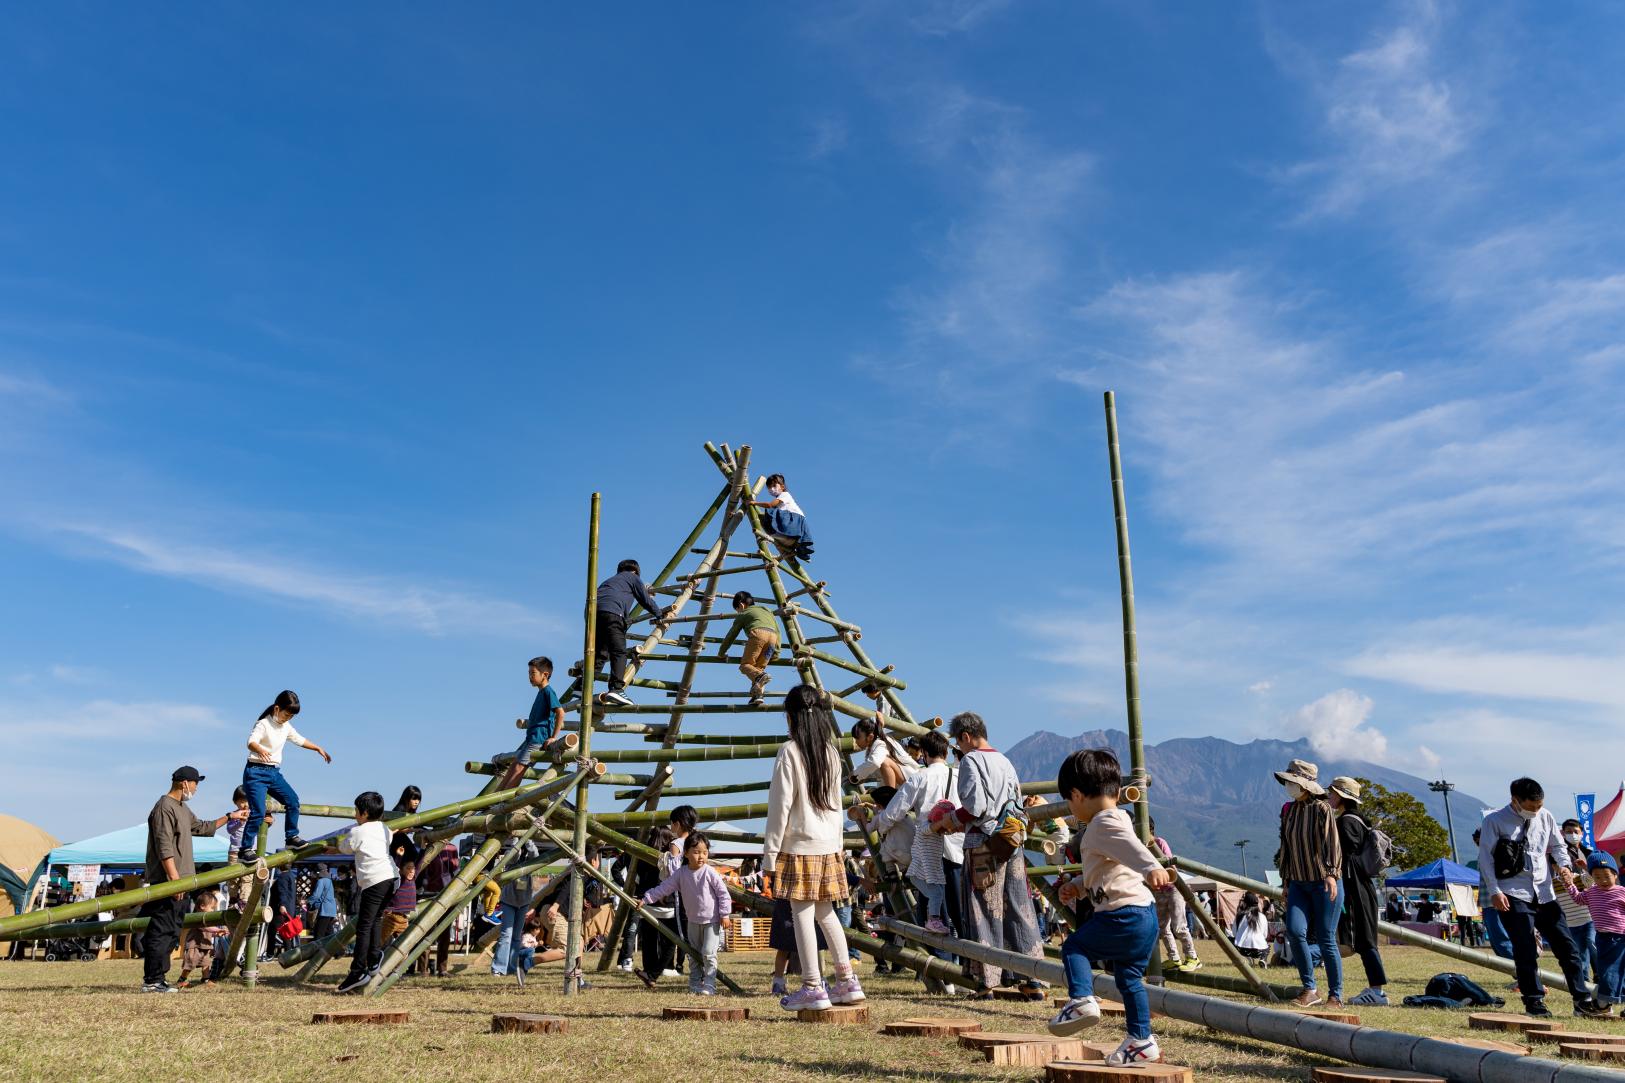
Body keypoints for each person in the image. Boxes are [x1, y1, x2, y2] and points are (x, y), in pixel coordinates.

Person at [1047, 748, 1170, 1067]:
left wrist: (1151, 866)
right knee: (1129, 979)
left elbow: (1133, 850)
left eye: (1069, 803)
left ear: (1076, 795)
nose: (1072, 809)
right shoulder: (1115, 818)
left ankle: (1081, 1001)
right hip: (1143, 917)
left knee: (1074, 947)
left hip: (1123, 915)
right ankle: (1141, 1040)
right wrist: (1078, 886)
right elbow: (1108, 868)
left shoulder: (1102, 823)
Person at [764, 684, 863, 1011]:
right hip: (828, 844)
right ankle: (847, 981)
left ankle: (812, 986)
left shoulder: (789, 751)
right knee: (826, 912)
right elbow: (836, 806)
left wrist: (770, 855)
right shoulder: (832, 753)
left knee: (802, 913)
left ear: (791, 716)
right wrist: (837, 848)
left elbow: (779, 808)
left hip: (799, 845)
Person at [934, 711, 1045, 1000]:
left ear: (966, 737)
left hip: (983, 843)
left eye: (959, 743)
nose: (959, 749)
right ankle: (1032, 978)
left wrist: (950, 821)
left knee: (982, 909)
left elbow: (975, 807)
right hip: (1011, 842)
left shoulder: (971, 760)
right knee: (1018, 906)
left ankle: (987, 981)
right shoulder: (1005, 761)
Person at [1479, 777, 1606, 1017]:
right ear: (1515, 801)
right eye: (1531, 807)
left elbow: (1557, 846)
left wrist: (1564, 865)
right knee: (1525, 948)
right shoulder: (1494, 821)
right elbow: (1486, 858)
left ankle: (1582, 999)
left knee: (1567, 946)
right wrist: (1495, 890)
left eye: (1539, 806)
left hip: (1545, 892)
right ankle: (1534, 1001)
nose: (1535, 811)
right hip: (1512, 892)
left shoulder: (1546, 816)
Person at [138, 766, 245, 993]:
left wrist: (229, 817)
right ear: (184, 783)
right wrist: (174, 879)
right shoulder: (164, 807)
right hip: (170, 881)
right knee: (161, 931)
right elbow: (163, 845)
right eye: (196, 783)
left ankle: (159, 978)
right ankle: (152, 980)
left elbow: (202, 827)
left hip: (183, 881)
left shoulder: (182, 808)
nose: (196, 788)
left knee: (173, 931)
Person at [869, 730, 960, 937]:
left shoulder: (920, 777)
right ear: (945, 753)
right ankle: (967, 962)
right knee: (960, 910)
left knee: (932, 909)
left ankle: (939, 963)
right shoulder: (959, 776)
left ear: (925, 753)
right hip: (957, 848)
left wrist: (879, 826)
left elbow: (893, 812)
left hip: (929, 849)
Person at [1274, 758, 1343, 1009]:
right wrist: (1286, 881)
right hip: (1298, 883)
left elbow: (1331, 843)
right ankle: (1310, 988)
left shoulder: (1322, 809)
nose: (1289, 785)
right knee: (1294, 930)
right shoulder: (1288, 811)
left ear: (1304, 785)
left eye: (1293, 781)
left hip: (1324, 882)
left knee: (1326, 938)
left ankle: (1336, 995)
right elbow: (1286, 848)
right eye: (1288, 781)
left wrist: (1332, 874)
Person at [238, 690, 332, 863]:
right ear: (276, 709)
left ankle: (291, 837)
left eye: (291, 717)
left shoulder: (286, 727)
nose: (287, 719)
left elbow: (299, 739)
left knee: (293, 801)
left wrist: (317, 748)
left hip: (273, 773)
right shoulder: (263, 724)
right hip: (256, 773)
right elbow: (250, 742)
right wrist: (260, 749)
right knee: (258, 812)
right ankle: (245, 850)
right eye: (286, 715)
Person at [639, 831, 732, 995]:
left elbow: (723, 894)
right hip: (693, 921)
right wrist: (646, 898)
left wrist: (725, 914)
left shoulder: (709, 872)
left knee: (709, 954)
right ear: (686, 853)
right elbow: (664, 888)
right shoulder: (681, 874)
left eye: (704, 852)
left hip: (712, 920)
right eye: (696, 852)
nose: (701, 856)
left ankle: (709, 984)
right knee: (693, 955)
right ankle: (695, 983)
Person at [1327, 776, 1388, 1006]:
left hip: (1354, 887)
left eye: (1332, 792)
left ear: (1342, 796)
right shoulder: (1359, 820)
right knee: (1365, 940)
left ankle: (1376, 991)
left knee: (1364, 940)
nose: (1330, 796)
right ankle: (1376, 990)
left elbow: (1348, 856)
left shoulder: (1346, 823)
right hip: (1363, 886)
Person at [331, 790, 396, 995]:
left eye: (357, 810)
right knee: (374, 919)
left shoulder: (357, 832)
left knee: (364, 926)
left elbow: (344, 848)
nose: (355, 814)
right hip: (391, 878)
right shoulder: (385, 828)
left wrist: (332, 846)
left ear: (364, 813)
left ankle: (358, 971)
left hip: (374, 881)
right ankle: (375, 956)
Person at [590, 560, 672, 707]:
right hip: (612, 613)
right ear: (636, 571)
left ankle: (581, 686)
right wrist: (660, 614)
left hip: (593, 615)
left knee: (600, 654)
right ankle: (616, 689)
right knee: (619, 651)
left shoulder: (611, 581)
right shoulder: (632, 577)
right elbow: (645, 599)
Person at [497, 657, 568, 791]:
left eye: (533, 673)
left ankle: (503, 800)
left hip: (538, 739)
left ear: (545, 675)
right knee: (513, 766)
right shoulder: (541, 692)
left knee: (519, 768)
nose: (530, 676)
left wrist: (553, 737)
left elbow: (561, 713)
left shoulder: (548, 692)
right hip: (531, 738)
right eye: (529, 673)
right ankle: (494, 798)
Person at [1569, 852, 1625, 1008]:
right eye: (1598, 878)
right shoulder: (1591, 891)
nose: (1603, 881)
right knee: (1608, 968)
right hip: (1601, 936)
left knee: (1610, 970)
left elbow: (1601, 868)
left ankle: (1603, 1003)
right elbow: (1578, 899)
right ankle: (1608, 1000)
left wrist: (1589, 868)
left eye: (1607, 876)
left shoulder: (1621, 891)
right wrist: (1569, 885)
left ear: (1615, 875)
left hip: (1619, 936)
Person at [1147, 817, 1199, 972]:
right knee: (1162, 927)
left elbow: (1170, 863)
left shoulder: (1159, 842)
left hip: (1172, 888)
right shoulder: (1140, 847)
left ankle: (1192, 957)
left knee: (1179, 926)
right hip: (1158, 890)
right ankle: (1174, 958)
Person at [632, 828, 679, 987]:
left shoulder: (643, 857)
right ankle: (658, 970)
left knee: (649, 941)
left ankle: (649, 970)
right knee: (671, 942)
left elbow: (637, 879)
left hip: (646, 902)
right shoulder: (669, 858)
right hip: (667, 904)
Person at [717, 591, 780, 705]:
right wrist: (776, 652)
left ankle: (760, 677)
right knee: (758, 669)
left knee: (745, 665)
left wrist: (721, 652)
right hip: (773, 638)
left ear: (741, 605)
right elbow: (778, 631)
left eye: (737, 610)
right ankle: (757, 696)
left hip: (758, 635)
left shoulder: (743, 613)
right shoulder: (767, 611)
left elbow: (732, 634)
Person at [1559, 818, 1599, 991]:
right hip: (1571, 912)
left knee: (1593, 942)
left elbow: (1594, 879)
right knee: (1579, 951)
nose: (1573, 835)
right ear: (1562, 833)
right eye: (1569, 831)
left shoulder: (1588, 853)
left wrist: (1585, 871)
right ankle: (1585, 983)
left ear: (1582, 834)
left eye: (1576, 832)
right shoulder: (1559, 852)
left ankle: (1601, 973)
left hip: (1589, 910)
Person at [415, 841, 459, 976]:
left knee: (444, 934)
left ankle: (442, 969)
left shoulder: (452, 848)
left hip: (446, 894)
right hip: (427, 894)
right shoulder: (428, 847)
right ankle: (422, 969)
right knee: (425, 934)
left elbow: (455, 871)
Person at [852, 703, 919, 790]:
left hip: (911, 781)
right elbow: (873, 769)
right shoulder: (881, 741)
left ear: (870, 737)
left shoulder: (880, 743)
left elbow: (874, 763)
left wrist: (855, 775)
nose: (856, 741)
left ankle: (889, 796)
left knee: (884, 761)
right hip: (907, 780)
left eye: (857, 738)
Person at [752, 473, 814, 561]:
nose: (772, 489)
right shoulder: (780, 498)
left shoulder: (785, 495)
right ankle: (785, 541)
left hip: (793, 521)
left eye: (774, 485)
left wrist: (754, 503)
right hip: (792, 522)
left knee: (769, 513)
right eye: (769, 487)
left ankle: (777, 535)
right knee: (769, 516)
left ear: (782, 487)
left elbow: (769, 505)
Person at [176, 889, 224, 988]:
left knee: (206, 963)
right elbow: (204, 928)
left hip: (205, 945)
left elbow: (207, 932)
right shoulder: (198, 917)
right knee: (190, 963)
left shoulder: (207, 918)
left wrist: (216, 934)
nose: (213, 911)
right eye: (212, 908)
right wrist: (216, 930)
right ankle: (182, 979)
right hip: (195, 945)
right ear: (202, 906)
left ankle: (206, 979)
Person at [381, 858, 417, 947]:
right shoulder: (398, 879)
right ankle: (371, 960)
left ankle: (402, 961)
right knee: (380, 943)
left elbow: (420, 863)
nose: (411, 871)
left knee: (404, 947)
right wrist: (399, 857)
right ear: (401, 870)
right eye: (408, 868)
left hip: (404, 918)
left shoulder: (413, 880)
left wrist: (423, 848)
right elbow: (394, 869)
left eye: (413, 869)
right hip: (391, 917)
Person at [268, 864, 299, 954]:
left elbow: (282, 891)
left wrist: (282, 904)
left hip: (280, 909)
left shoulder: (283, 877)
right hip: (289, 908)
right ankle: (288, 952)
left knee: (272, 931)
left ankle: (270, 953)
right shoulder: (291, 876)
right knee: (285, 931)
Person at [1232, 892, 1269, 964]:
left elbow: (1234, 933)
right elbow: (1265, 935)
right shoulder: (1262, 916)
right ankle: (1263, 959)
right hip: (1259, 950)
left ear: (1245, 903)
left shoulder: (1239, 916)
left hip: (1242, 949)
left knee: (1232, 939)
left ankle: (1248, 958)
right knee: (1267, 947)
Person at [307, 863, 337, 941]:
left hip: (324, 910)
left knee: (319, 933)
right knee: (329, 932)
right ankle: (338, 951)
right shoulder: (329, 881)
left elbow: (316, 895)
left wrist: (308, 901)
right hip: (331, 910)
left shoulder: (321, 881)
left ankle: (316, 950)